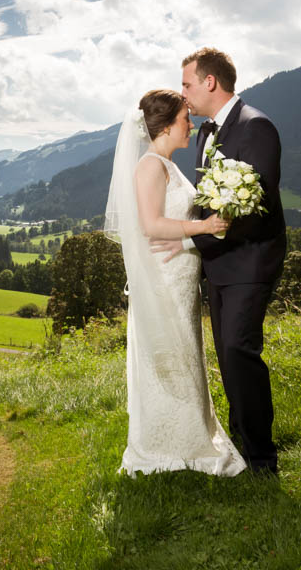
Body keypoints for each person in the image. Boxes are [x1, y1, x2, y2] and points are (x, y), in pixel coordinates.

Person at [154, 47, 287, 476]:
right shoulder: (209, 132)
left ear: (210, 81)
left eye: (187, 84)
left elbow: (252, 207)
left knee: (238, 350)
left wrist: (194, 244)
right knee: (228, 357)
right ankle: (241, 440)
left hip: (249, 261)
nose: (183, 93)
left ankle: (263, 458)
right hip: (220, 265)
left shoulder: (255, 126)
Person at [105, 88, 247, 478]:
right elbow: (151, 225)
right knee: (170, 355)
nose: (192, 124)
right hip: (165, 280)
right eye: (186, 119)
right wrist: (203, 226)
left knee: (185, 352)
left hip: (181, 278)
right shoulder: (150, 167)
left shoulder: (165, 164)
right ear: (167, 125)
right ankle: (169, 442)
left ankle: (192, 433)